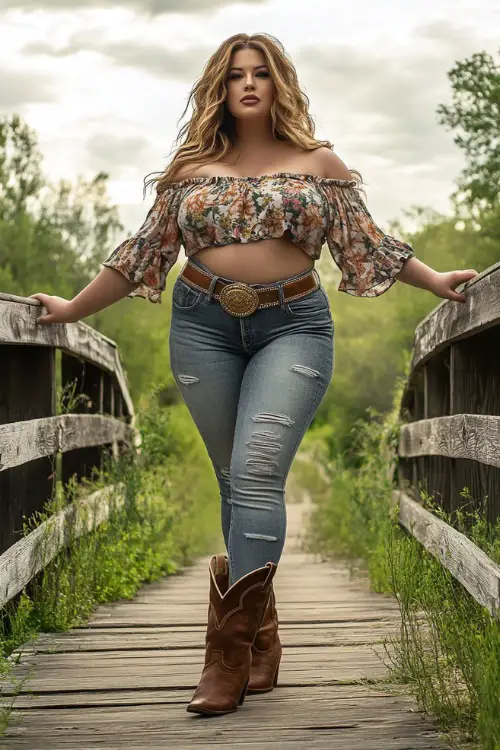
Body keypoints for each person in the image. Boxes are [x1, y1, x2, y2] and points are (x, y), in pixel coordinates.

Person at [30, 32, 478, 718]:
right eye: (236, 74)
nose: (248, 84)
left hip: (294, 327)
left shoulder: (317, 162)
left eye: (260, 74)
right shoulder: (189, 170)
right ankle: (260, 634)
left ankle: (225, 654)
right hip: (201, 326)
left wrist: (436, 280)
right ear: (220, 86)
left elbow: (368, 243)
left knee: (260, 467)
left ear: (278, 85)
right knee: (236, 482)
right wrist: (71, 309)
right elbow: (140, 256)